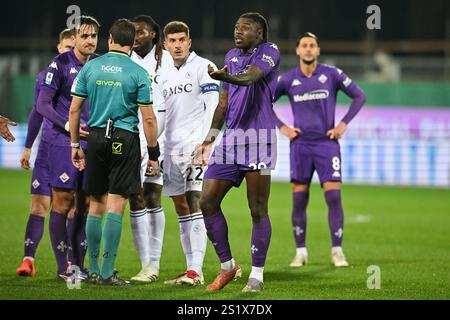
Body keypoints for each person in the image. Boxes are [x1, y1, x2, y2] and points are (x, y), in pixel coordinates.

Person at [192, 12, 280, 292]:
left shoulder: (269, 52)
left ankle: (257, 275)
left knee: (256, 208)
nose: (238, 31)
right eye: (236, 27)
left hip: (260, 140)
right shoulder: (230, 55)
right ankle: (228, 266)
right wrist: (209, 139)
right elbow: (223, 102)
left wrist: (228, 75)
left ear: (259, 34)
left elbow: (252, 77)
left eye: (245, 28)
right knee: (206, 201)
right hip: (230, 141)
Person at [69, 18, 159, 285]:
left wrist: (75, 145)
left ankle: (93, 270)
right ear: (132, 44)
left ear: (109, 39)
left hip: (95, 139)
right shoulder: (138, 72)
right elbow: (149, 119)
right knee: (116, 204)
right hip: (124, 138)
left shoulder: (90, 67)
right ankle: (108, 272)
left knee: (95, 204)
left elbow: (74, 110)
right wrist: (153, 154)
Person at [272, 32, 366, 268]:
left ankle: (337, 251)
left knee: (333, 196)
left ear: (318, 50)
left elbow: (359, 96)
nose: (308, 49)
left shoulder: (332, 74)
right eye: (304, 45)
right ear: (297, 51)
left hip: (326, 144)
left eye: (312, 45)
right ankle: (301, 252)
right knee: (299, 199)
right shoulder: (287, 79)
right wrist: (282, 127)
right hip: (300, 146)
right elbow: (264, 102)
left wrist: (342, 125)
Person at [36, 16, 99, 280]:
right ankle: (64, 268)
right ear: (74, 37)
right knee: (63, 201)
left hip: (92, 142)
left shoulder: (99, 65)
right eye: (84, 36)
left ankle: (79, 266)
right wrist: (67, 126)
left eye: (93, 36)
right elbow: (42, 105)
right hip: (62, 142)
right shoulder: (59, 64)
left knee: (84, 203)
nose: (89, 41)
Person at [160, 21, 219, 286]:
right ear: (165, 45)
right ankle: (192, 268)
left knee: (197, 201)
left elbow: (214, 106)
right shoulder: (163, 74)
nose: (177, 44)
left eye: (182, 39)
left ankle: (196, 270)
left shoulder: (204, 68)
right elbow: (161, 115)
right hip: (170, 150)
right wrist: (150, 148)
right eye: (172, 40)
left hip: (198, 147)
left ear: (189, 42)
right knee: (181, 206)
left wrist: (207, 143)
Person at [16, 29, 76, 277]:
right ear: (58, 47)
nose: (69, 52)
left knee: (71, 207)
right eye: (66, 47)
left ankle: (71, 262)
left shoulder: (86, 75)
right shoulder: (46, 76)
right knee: (39, 205)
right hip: (47, 150)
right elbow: (37, 112)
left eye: (73, 47)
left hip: (71, 148)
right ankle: (28, 260)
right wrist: (28, 147)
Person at [129, 14, 173, 283]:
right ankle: (144, 264)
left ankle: (154, 264)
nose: (135, 37)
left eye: (141, 32)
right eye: (132, 32)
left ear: (154, 34)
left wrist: (155, 144)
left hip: (161, 139)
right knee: (134, 198)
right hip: (130, 136)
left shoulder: (168, 61)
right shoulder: (126, 61)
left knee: (153, 196)